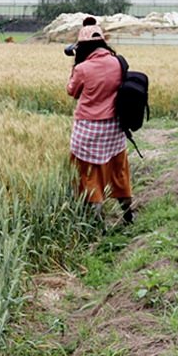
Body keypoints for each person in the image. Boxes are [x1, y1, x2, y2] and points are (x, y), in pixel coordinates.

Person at [66, 22, 134, 226]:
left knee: (88, 173)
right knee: (118, 169)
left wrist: (74, 68)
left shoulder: (83, 68)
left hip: (88, 128)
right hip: (114, 128)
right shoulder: (118, 62)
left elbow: (72, 91)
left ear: (82, 47)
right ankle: (128, 214)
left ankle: (97, 221)